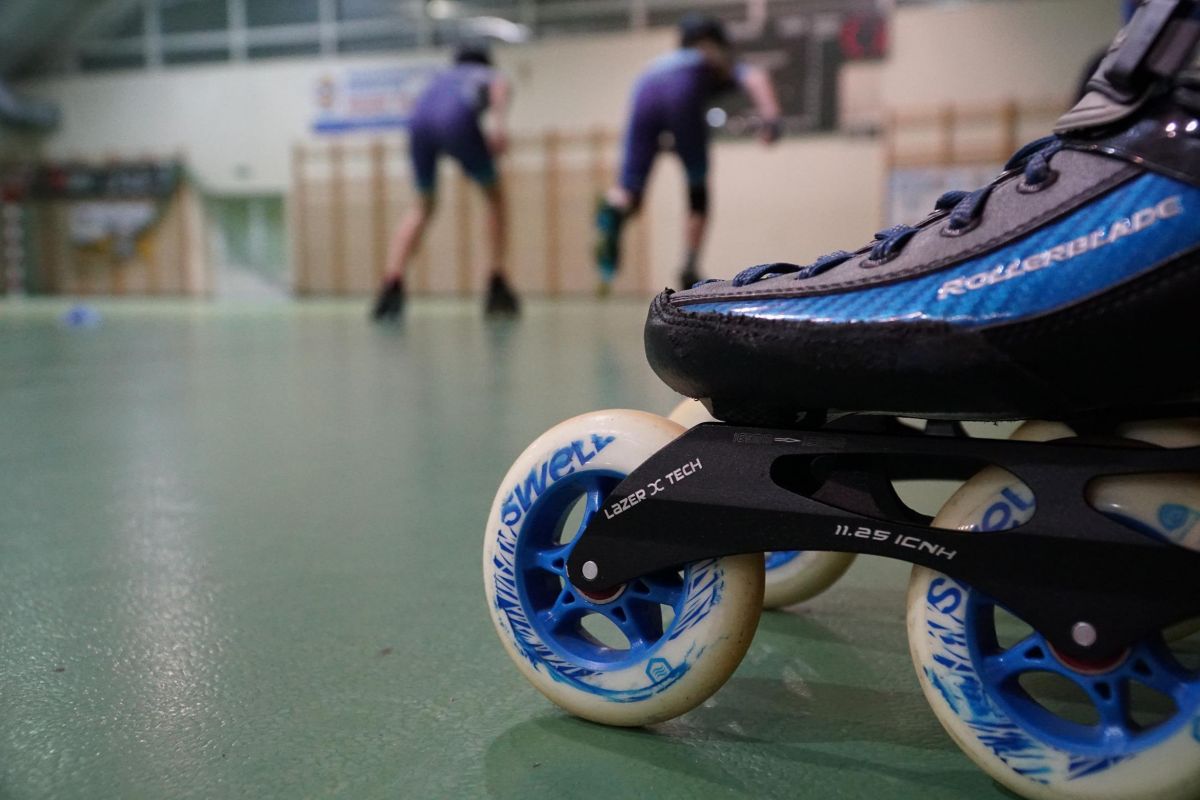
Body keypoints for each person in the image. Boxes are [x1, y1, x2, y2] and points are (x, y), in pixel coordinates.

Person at [595, 14, 782, 292]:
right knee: (698, 191)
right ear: (715, 43)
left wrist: (662, 138)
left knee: (630, 191)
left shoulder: (661, 63)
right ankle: (689, 266)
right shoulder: (710, 61)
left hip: (643, 88)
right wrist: (771, 120)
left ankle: (614, 207)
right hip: (683, 92)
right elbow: (756, 78)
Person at [373, 43, 518, 320]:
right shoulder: (485, 74)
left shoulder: (440, 78)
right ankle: (496, 277)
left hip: (418, 126)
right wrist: (499, 128)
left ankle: (392, 279)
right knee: (494, 196)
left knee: (423, 206)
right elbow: (499, 87)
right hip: (457, 121)